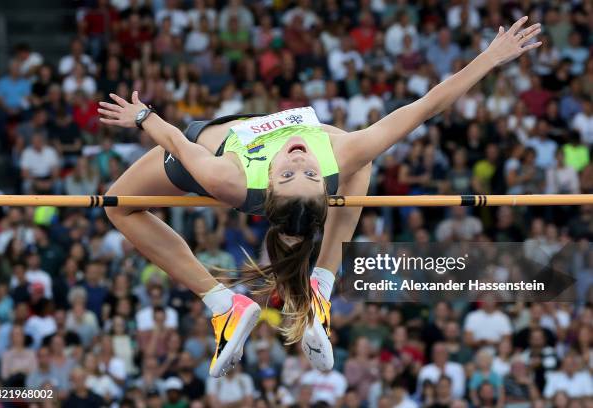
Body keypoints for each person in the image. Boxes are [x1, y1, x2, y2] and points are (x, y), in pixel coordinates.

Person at [97, 16, 542, 377]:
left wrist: (142, 116)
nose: (299, 157)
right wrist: (489, 58)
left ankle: (223, 304)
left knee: (120, 204)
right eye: (308, 171)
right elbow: (426, 106)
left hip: (207, 145)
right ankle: (319, 287)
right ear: (323, 182)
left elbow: (178, 143)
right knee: (363, 155)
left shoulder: (227, 178)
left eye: (292, 172)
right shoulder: (337, 156)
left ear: (271, 183)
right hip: (245, 137)